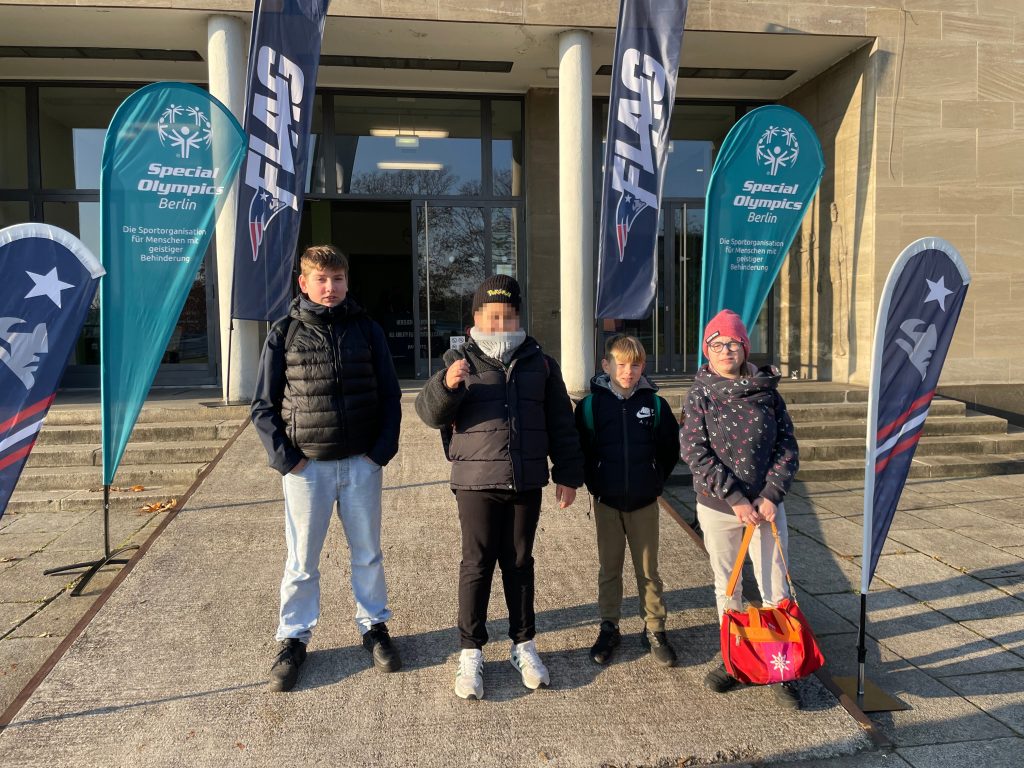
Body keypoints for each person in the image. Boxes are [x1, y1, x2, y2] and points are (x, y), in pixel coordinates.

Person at [414, 275, 584, 701]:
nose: (500, 323)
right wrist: (446, 385)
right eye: (492, 316)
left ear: (518, 318)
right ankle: (470, 652)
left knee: (520, 563)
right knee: (477, 564)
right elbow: (430, 414)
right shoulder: (459, 358)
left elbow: (561, 422)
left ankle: (523, 645)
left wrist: (568, 474)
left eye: (508, 316)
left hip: (525, 479)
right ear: (475, 318)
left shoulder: (540, 363)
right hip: (475, 482)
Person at [251, 244, 403, 692]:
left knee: (368, 553)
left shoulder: (367, 330)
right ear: (304, 283)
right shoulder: (284, 333)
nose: (330, 287)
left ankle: (374, 627)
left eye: (337, 279)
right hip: (307, 469)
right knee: (301, 560)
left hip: (361, 464)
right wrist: (289, 460)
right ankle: (293, 639)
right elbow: (262, 406)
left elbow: (390, 396)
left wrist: (379, 453)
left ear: (347, 281)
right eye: (321, 279)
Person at [680, 309, 802, 709]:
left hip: (766, 508)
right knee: (727, 587)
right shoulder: (700, 394)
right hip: (720, 508)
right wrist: (735, 499)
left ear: (745, 347)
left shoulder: (768, 392)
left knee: (775, 587)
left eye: (733, 343)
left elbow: (787, 447)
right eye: (717, 344)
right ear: (707, 350)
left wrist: (770, 495)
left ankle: (781, 665)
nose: (725, 350)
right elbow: (695, 451)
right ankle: (736, 660)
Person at [574, 335, 680, 668]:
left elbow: (670, 449)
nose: (628, 371)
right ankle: (609, 627)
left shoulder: (656, 406)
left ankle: (655, 627)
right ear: (606, 365)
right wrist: (595, 482)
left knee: (648, 570)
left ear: (642, 367)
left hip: (644, 503)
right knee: (610, 568)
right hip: (607, 502)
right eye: (621, 364)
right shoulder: (591, 406)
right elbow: (581, 449)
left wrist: (654, 480)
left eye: (635, 365)